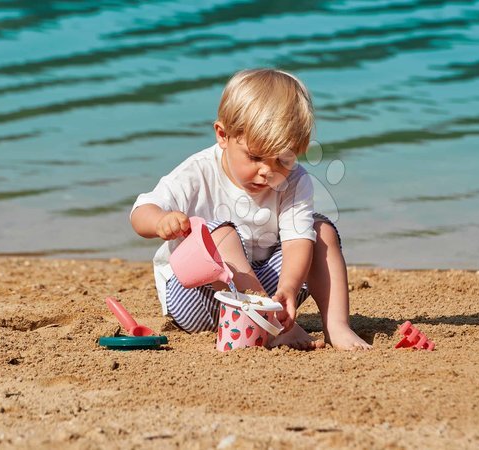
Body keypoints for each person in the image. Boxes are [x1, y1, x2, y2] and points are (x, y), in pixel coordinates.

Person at [130, 68, 371, 350]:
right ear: (223, 135)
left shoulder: (295, 181)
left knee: (321, 231)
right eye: (255, 157)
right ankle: (266, 321)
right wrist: (161, 221)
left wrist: (289, 289)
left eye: (282, 160)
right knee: (220, 233)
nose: (267, 172)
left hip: (266, 289)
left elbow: (296, 241)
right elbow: (141, 211)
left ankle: (336, 326)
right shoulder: (198, 171)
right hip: (198, 296)